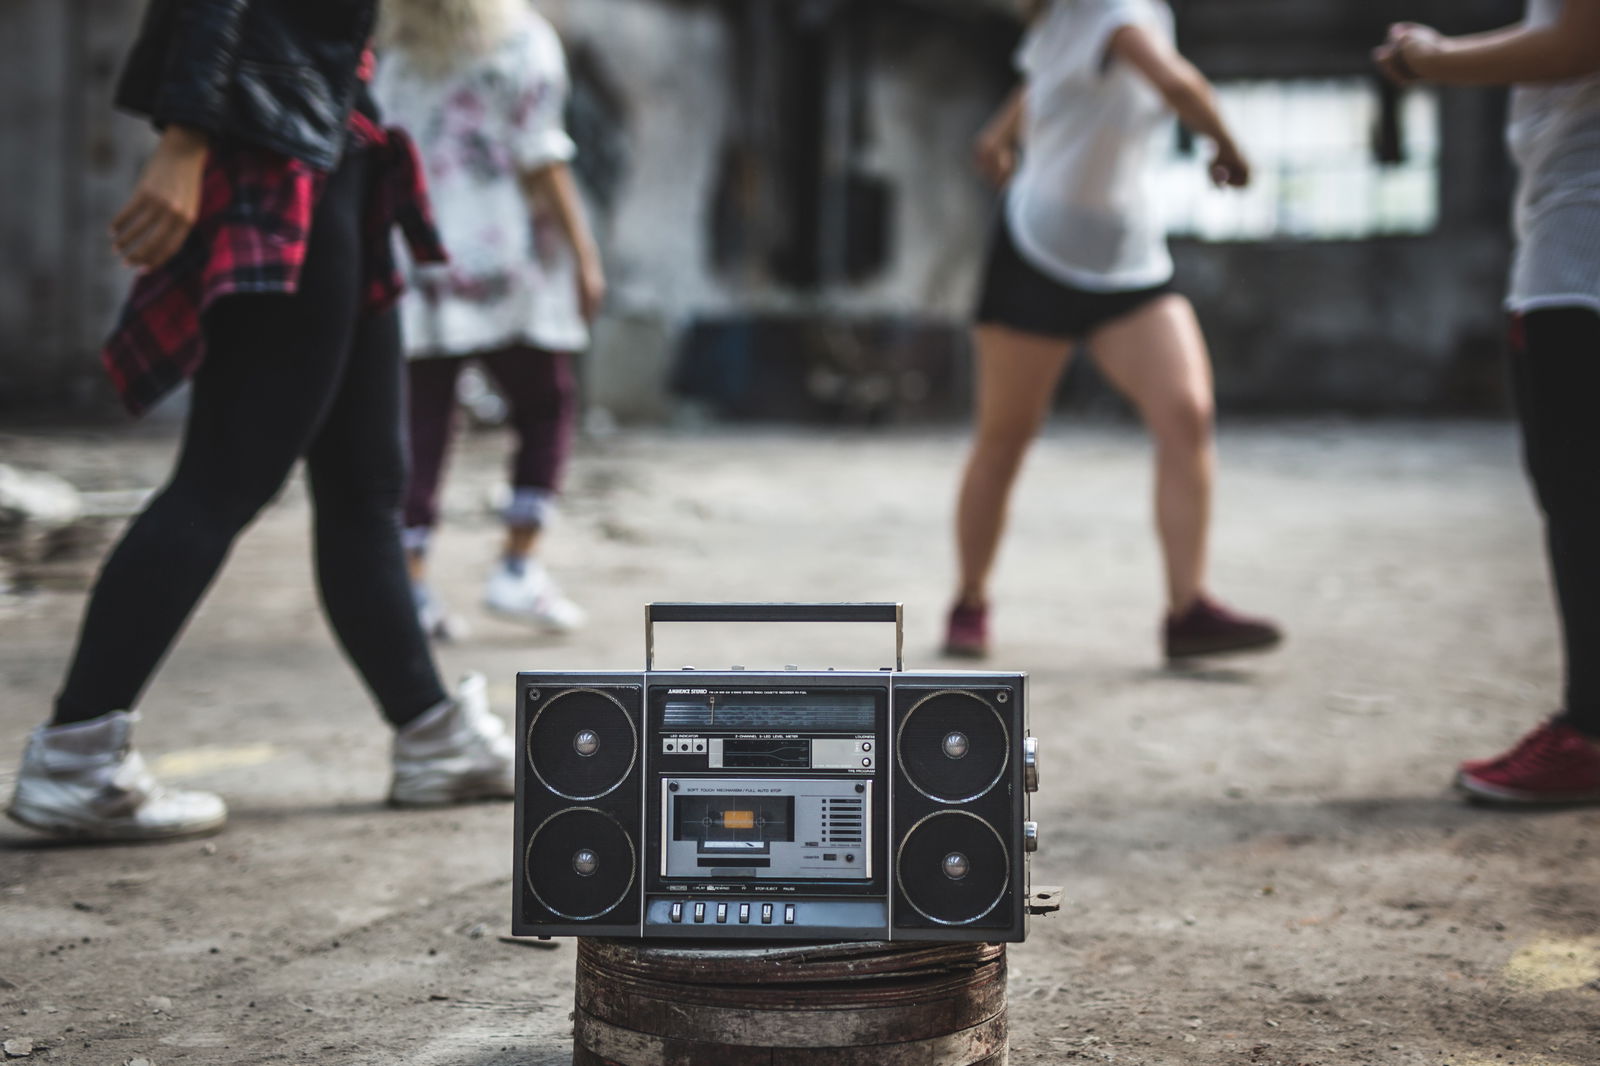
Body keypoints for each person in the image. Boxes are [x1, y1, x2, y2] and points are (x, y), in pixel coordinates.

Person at [6, 0, 517, 843]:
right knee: (225, 475)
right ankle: (75, 757)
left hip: (334, 140)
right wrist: (186, 138)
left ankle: (432, 737)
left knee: (364, 483)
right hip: (279, 151)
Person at [946, 0, 1283, 661]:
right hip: (1037, 253)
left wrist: (999, 131)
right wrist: (1230, 146)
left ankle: (1188, 610)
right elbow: (1177, 82)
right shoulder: (1102, 11)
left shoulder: (1130, 9)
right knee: (1006, 437)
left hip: (1126, 258)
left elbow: (1053, 79)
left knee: (1185, 414)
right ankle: (970, 600)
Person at [1375, 3, 1600, 804]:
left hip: (1582, 264)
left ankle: (1590, 734)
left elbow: (1578, 38)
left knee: (1582, 505)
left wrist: (1431, 59)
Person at [374, 0, 604, 639]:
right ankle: (518, 566)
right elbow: (543, 155)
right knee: (547, 404)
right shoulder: (523, 40)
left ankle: (413, 585)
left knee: (421, 421)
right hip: (503, 253)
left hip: (414, 253)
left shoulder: (391, 45)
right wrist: (585, 254)